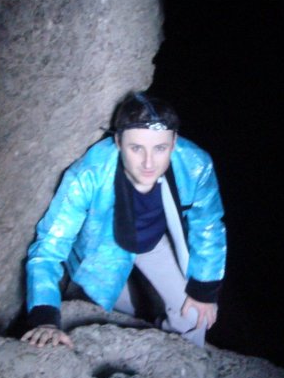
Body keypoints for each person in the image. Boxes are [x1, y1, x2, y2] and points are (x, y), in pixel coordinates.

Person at [22, 91, 226, 349]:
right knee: (117, 314)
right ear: (118, 141)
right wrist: (45, 319)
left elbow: (208, 226)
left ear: (174, 142)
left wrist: (204, 289)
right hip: (104, 246)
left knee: (195, 317)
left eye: (160, 148)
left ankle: (177, 364)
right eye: (136, 148)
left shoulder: (196, 164)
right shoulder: (88, 173)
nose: (148, 163)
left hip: (154, 242)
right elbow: (49, 246)